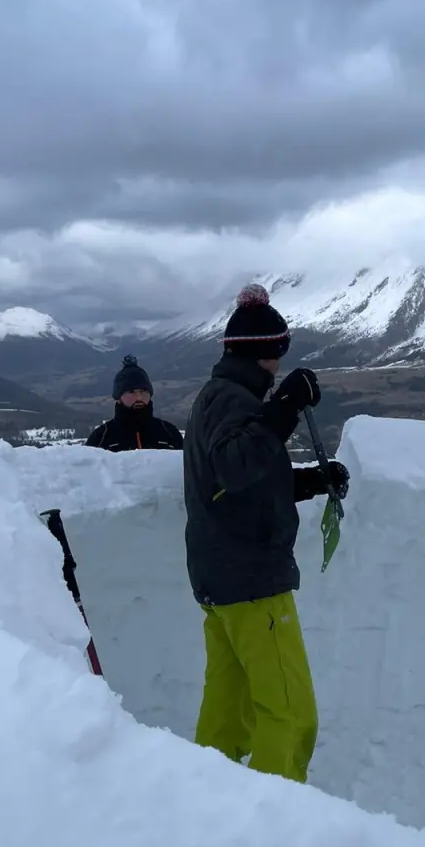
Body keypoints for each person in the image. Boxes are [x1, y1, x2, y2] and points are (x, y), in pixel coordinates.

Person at [182, 282, 349, 783]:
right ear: (266, 355)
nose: (280, 367)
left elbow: (240, 483)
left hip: (220, 580)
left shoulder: (217, 397)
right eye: (279, 356)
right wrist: (287, 408)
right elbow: (236, 466)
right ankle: (280, 832)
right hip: (252, 582)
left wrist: (312, 482)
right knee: (292, 717)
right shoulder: (236, 402)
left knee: (228, 715)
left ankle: (208, 802)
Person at [86, 355, 184, 452]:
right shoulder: (100, 438)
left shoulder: (169, 433)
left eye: (143, 391)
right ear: (119, 398)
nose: (139, 397)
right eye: (131, 392)